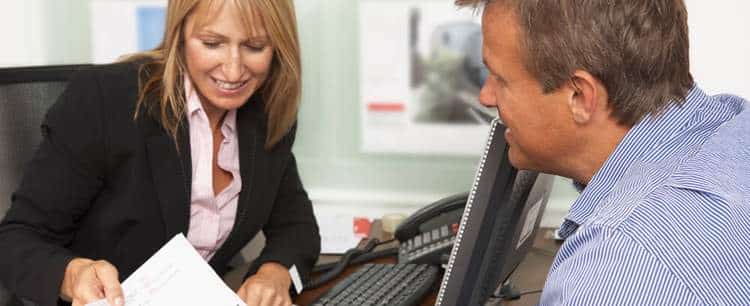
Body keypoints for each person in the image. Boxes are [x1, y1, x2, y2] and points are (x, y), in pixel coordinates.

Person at [0, 0, 320, 306]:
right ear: (178, 33)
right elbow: (16, 240)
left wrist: (276, 274)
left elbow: (297, 228)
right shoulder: (106, 100)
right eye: (212, 43)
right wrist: (72, 276)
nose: (234, 70)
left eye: (254, 47)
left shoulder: (266, 115)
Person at [456, 0, 750, 304]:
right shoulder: (734, 125)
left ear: (580, 97)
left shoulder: (617, 267)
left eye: (501, 80)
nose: (486, 96)